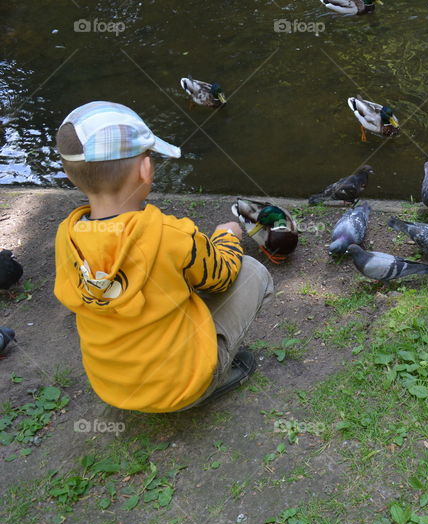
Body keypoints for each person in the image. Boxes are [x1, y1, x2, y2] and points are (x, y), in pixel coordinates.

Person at [53, 101, 273, 412]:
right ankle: (210, 381)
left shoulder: (67, 236)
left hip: (114, 387)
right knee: (251, 271)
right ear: (145, 170)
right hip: (178, 388)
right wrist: (227, 236)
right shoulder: (169, 234)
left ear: (70, 174)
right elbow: (222, 277)